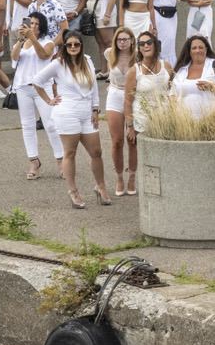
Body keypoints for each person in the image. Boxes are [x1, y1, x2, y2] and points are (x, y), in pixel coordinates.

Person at [31, 32, 110, 209]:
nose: (73, 47)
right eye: (69, 45)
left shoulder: (88, 61)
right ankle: (73, 191)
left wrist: (96, 108)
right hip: (67, 112)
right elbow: (37, 81)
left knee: (96, 152)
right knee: (70, 153)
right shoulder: (58, 64)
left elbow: (94, 87)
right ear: (65, 47)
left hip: (86, 113)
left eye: (76, 44)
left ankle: (101, 186)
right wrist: (49, 100)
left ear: (81, 46)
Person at [10, 12, 63, 181]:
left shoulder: (47, 42)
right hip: (23, 87)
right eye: (29, 23)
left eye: (34, 23)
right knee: (27, 125)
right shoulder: (22, 42)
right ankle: (34, 161)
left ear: (41, 26)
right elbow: (14, 57)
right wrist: (20, 40)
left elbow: (44, 55)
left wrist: (32, 38)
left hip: (42, 87)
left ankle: (61, 160)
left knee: (50, 124)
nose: (31, 26)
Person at [101, 28, 137, 196]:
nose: (122, 42)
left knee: (132, 140)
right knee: (117, 141)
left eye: (125, 39)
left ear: (131, 40)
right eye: (119, 39)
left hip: (133, 96)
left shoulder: (138, 55)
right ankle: (119, 176)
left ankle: (132, 177)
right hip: (115, 94)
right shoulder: (109, 53)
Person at [124, 32, 173, 153]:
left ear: (155, 45)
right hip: (141, 122)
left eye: (149, 42)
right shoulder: (134, 71)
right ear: (139, 49)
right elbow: (127, 101)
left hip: (164, 120)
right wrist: (130, 127)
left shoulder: (166, 66)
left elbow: (172, 90)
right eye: (142, 44)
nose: (146, 46)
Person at [171, 34, 215, 118]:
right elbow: (172, 94)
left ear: (206, 49)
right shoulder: (181, 70)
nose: (197, 50)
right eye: (194, 48)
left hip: (212, 120)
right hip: (184, 123)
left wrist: (213, 87)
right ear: (189, 51)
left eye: (201, 47)